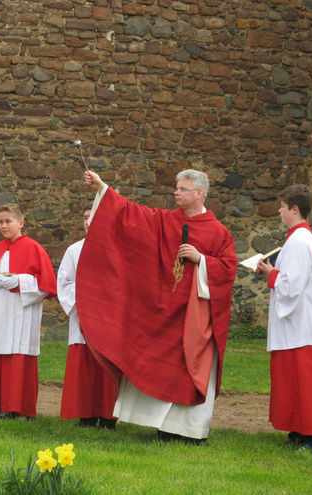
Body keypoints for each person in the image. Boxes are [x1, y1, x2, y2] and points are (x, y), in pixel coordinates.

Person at [77, 168, 237, 444]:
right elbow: (128, 214)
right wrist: (103, 187)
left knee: (191, 370)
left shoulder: (218, 232)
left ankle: (190, 431)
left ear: (199, 193)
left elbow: (228, 269)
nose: (176, 193)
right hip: (163, 313)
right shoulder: (162, 221)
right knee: (160, 367)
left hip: (194, 318)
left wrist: (201, 260)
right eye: (176, 188)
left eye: (182, 189)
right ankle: (164, 426)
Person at [256, 184, 312, 450]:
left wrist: (270, 273)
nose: (278, 210)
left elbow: (292, 285)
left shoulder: (300, 241)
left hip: (303, 326)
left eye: (282, 206)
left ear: (294, 209)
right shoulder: (300, 239)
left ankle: (309, 435)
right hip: (300, 326)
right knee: (295, 382)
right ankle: (299, 430)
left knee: (306, 384)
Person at [0, 203, 57, 419]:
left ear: (21, 223)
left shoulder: (35, 249)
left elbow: (45, 286)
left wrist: (19, 281)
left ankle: (19, 408)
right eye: (0, 222)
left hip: (22, 313)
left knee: (19, 355)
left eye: (8, 221)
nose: (3, 226)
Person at [57, 203, 117, 428]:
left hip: (109, 317)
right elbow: (64, 282)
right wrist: (86, 294)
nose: (87, 221)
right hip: (83, 315)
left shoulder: (118, 248)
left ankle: (109, 417)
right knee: (85, 367)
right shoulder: (74, 250)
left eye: (93, 217)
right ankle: (87, 414)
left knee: (108, 367)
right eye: (85, 217)